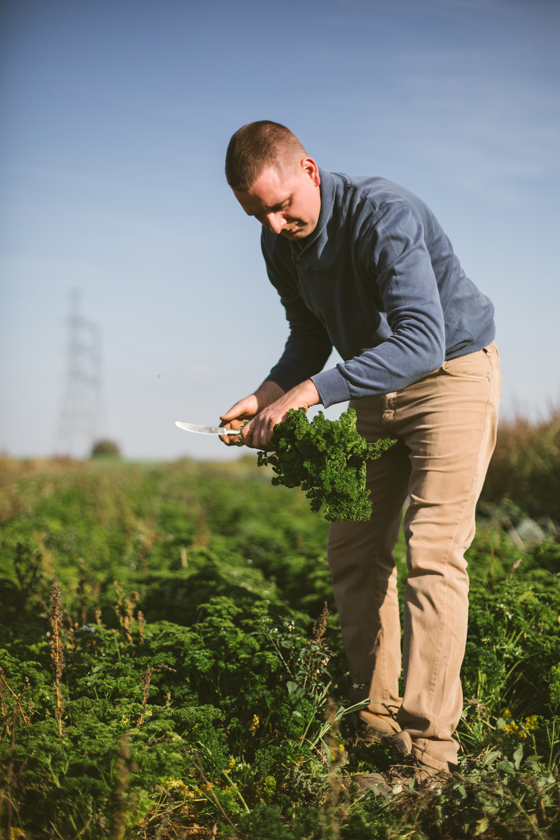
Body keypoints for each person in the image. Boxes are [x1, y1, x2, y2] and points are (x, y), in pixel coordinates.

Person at [219, 120, 501, 789]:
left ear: (309, 171)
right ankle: (377, 723)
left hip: (450, 377)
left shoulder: (383, 216)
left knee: (432, 551)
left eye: (283, 205)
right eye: (258, 214)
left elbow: (422, 339)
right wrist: (266, 394)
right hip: (375, 388)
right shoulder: (277, 242)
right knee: (352, 547)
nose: (276, 224)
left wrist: (309, 397)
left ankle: (432, 755)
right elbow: (309, 332)